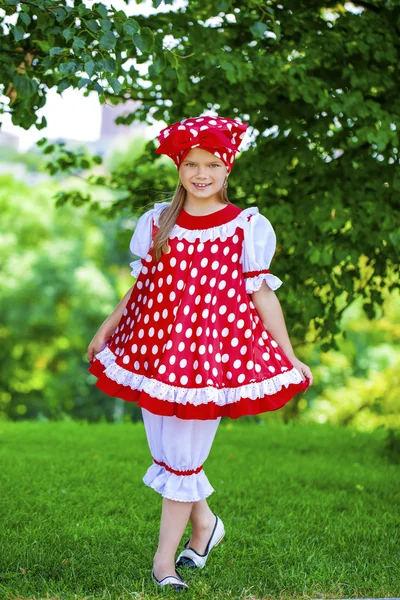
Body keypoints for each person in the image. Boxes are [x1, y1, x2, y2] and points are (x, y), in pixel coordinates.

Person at [87, 114, 313, 593]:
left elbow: (262, 295)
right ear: (179, 169)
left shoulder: (246, 226)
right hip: (156, 352)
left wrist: (288, 355)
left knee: (184, 460)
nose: (201, 173)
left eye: (212, 163)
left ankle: (163, 563)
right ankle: (206, 525)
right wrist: (108, 327)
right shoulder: (158, 222)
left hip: (210, 359)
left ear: (227, 168)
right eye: (191, 163)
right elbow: (142, 288)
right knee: (167, 455)